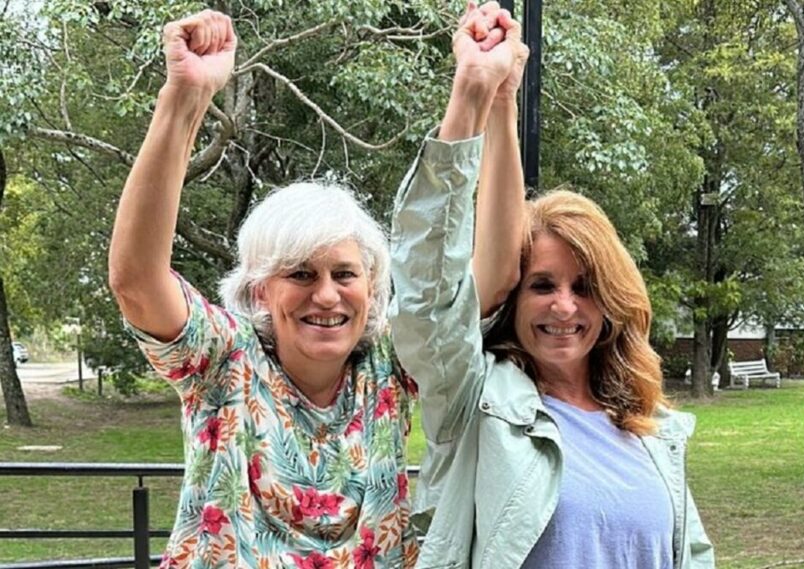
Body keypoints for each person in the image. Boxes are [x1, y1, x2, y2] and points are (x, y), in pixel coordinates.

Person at [108, 6, 525, 568]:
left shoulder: (390, 365)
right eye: (301, 274)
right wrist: (183, 99)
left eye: (344, 274)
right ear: (260, 291)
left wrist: (493, 100)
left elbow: (492, 279)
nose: (326, 295)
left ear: (372, 288)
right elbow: (136, 282)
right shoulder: (224, 362)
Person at [391, 71, 714, 569]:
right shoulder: (477, 402)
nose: (564, 306)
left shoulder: (653, 432)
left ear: (610, 303)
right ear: (512, 300)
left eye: (584, 288)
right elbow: (428, 295)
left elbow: (691, 554)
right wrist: (481, 98)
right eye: (542, 285)